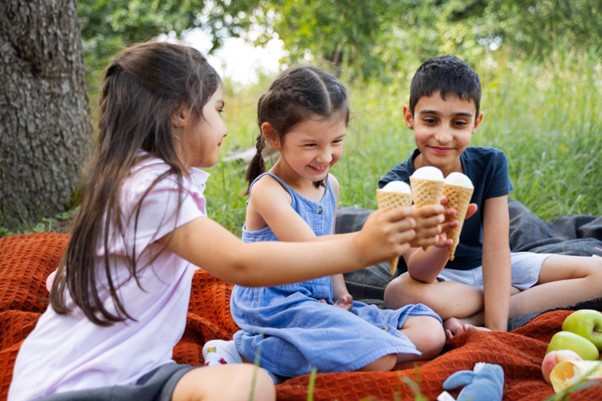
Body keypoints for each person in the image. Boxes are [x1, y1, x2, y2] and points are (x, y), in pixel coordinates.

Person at [8, 42, 437, 401]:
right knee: (249, 386)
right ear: (180, 112)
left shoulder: (142, 179)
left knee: (247, 383)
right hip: (75, 386)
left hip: (137, 376)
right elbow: (240, 263)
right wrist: (363, 246)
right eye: (218, 109)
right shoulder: (149, 188)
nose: (226, 127)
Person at [203, 66, 447, 383]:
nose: (325, 155)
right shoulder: (269, 191)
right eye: (310, 145)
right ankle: (246, 351)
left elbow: (329, 254)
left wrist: (341, 296)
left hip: (317, 304)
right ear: (273, 136)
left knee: (430, 332)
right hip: (276, 308)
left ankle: (310, 356)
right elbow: (311, 250)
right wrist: (371, 239)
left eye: (336, 141)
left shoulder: (329, 185)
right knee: (381, 358)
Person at [379, 55, 602, 338]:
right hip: (441, 280)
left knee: (600, 273)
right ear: (410, 118)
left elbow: (496, 251)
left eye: (459, 123)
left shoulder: (491, 163)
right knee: (397, 292)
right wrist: (443, 237)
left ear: (476, 122)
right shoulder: (396, 184)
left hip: (493, 266)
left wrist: (495, 329)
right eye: (431, 120)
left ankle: (480, 314)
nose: (444, 136)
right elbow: (420, 272)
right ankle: (504, 298)